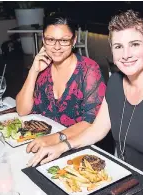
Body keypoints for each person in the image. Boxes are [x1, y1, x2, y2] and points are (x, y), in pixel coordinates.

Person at [27, 10, 143, 194]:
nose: (126, 54)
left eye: (134, 44)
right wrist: (61, 147)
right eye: (118, 46)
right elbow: (96, 130)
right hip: (128, 181)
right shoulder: (116, 82)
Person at [16, 14, 106, 152]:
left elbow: (91, 122)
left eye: (64, 40)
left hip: (78, 147)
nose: (56, 47)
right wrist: (33, 71)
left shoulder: (89, 70)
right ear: (43, 40)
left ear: (74, 40)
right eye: (51, 39)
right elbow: (22, 110)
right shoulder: (42, 68)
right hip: (43, 144)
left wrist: (54, 139)